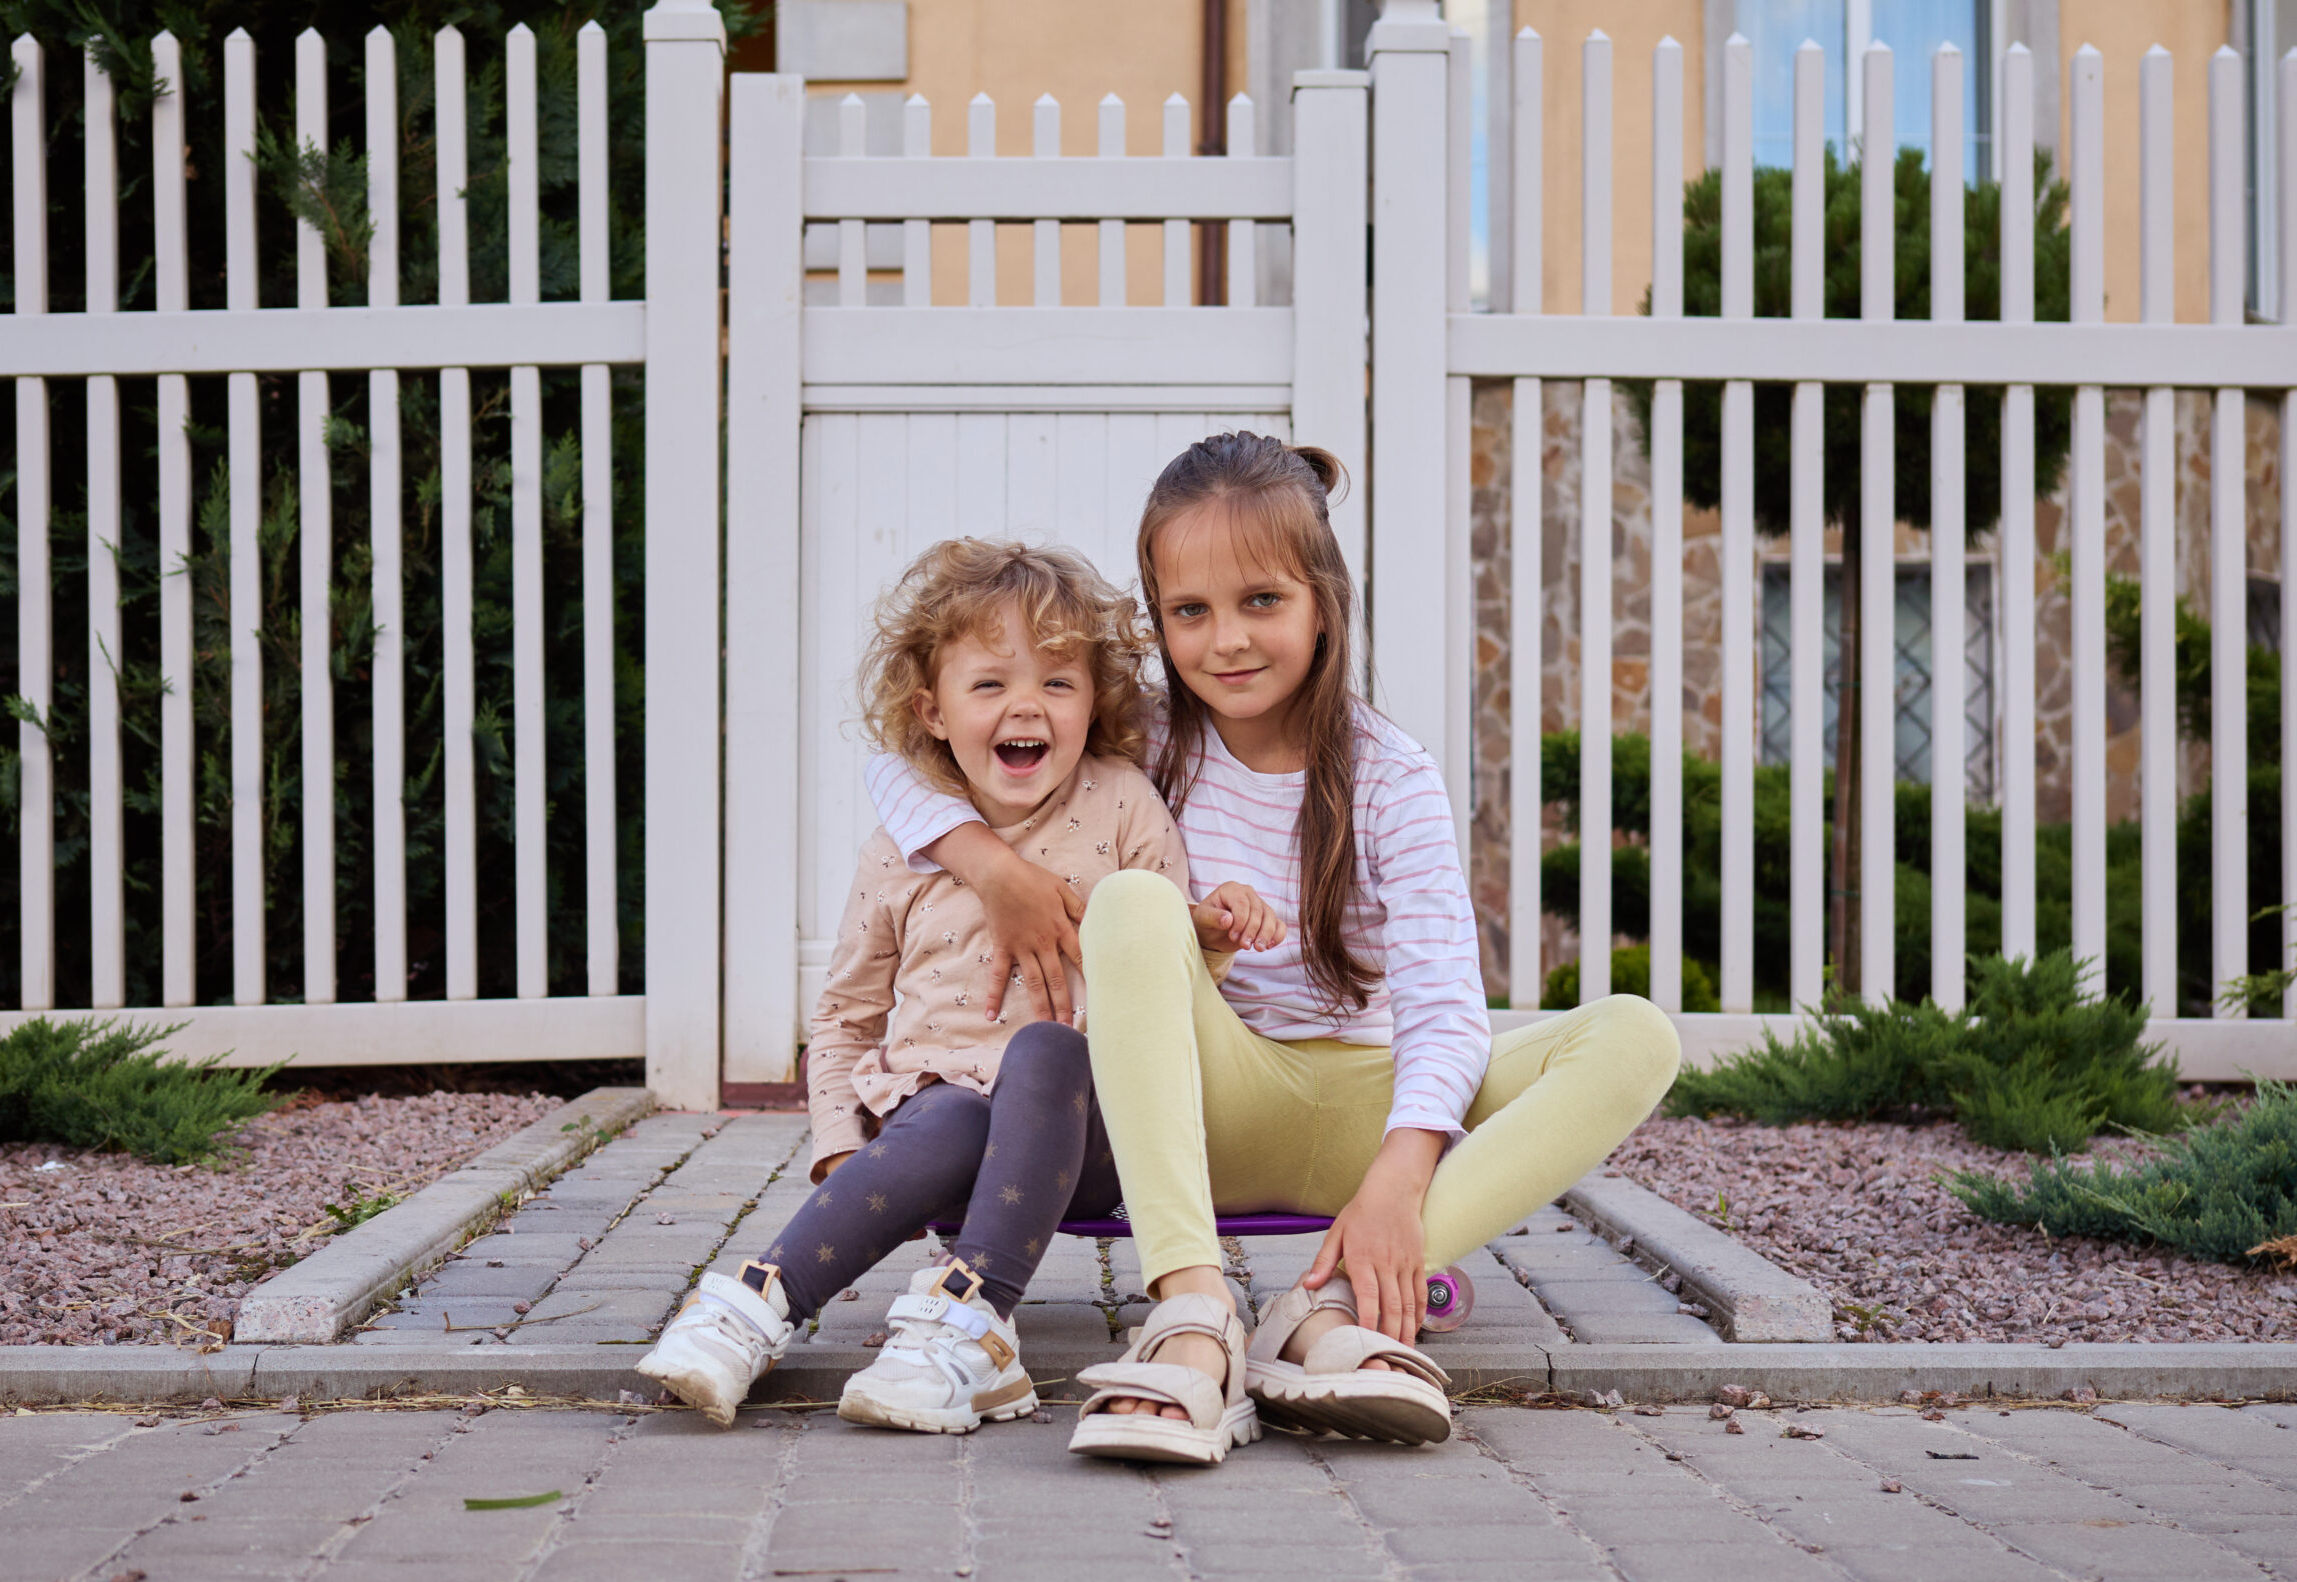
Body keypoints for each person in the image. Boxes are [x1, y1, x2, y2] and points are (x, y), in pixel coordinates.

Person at [863, 432, 1682, 1464]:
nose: (1227, 642)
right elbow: (904, 770)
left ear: (1321, 602)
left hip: (1362, 1118)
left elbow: (1441, 1002)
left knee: (1632, 1035)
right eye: (1189, 612)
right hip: (1202, 1108)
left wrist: (1398, 1172)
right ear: (1157, 622)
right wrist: (997, 870)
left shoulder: (1391, 775)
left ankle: (1329, 1312)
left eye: (1261, 601)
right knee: (1130, 903)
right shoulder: (1144, 741)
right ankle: (1193, 1311)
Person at [640, 537, 1258, 1434]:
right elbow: (847, 1016)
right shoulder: (901, 849)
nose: (1027, 706)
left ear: (1094, 700)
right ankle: (754, 1306)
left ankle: (973, 1326)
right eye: (990, 684)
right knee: (954, 1107)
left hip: (1088, 1139)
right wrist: (839, 1151)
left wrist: (1211, 930)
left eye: (1057, 682)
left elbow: (1169, 983)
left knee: (1046, 1051)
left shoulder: (1124, 804)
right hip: (937, 1138)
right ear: (932, 711)